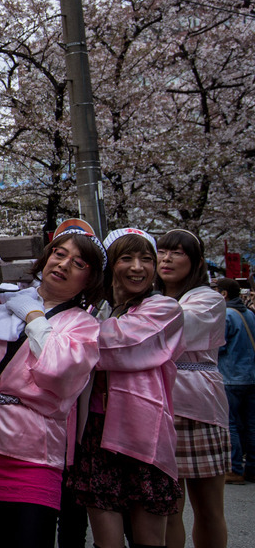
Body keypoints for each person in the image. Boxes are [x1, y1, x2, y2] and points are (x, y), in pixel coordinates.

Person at [0, 221, 105, 548]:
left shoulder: (84, 325)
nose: (64, 264)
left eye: (79, 263)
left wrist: (34, 317)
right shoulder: (1, 304)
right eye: (59, 253)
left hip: (33, 459)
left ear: (89, 279)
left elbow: (57, 372)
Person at [66, 228, 184, 548]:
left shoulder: (164, 309)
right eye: (126, 258)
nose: (137, 267)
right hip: (95, 431)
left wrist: (66, 333)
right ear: (109, 265)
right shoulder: (93, 311)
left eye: (146, 259)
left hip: (144, 431)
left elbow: (117, 343)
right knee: (107, 542)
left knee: (149, 540)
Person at [153, 228, 228, 548]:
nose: (166, 259)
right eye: (161, 252)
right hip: (157, 404)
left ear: (196, 262)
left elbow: (170, 328)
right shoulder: (152, 298)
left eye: (177, 252)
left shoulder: (208, 299)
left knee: (208, 507)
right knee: (168, 508)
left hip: (198, 406)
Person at [218, 278, 255, 484]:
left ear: (224, 294)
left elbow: (219, 346)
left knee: (230, 423)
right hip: (250, 376)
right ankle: (252, 467)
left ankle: (234, 468)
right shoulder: (249, 314)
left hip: (231, 376)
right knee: (251, 425)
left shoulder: (227, 315)